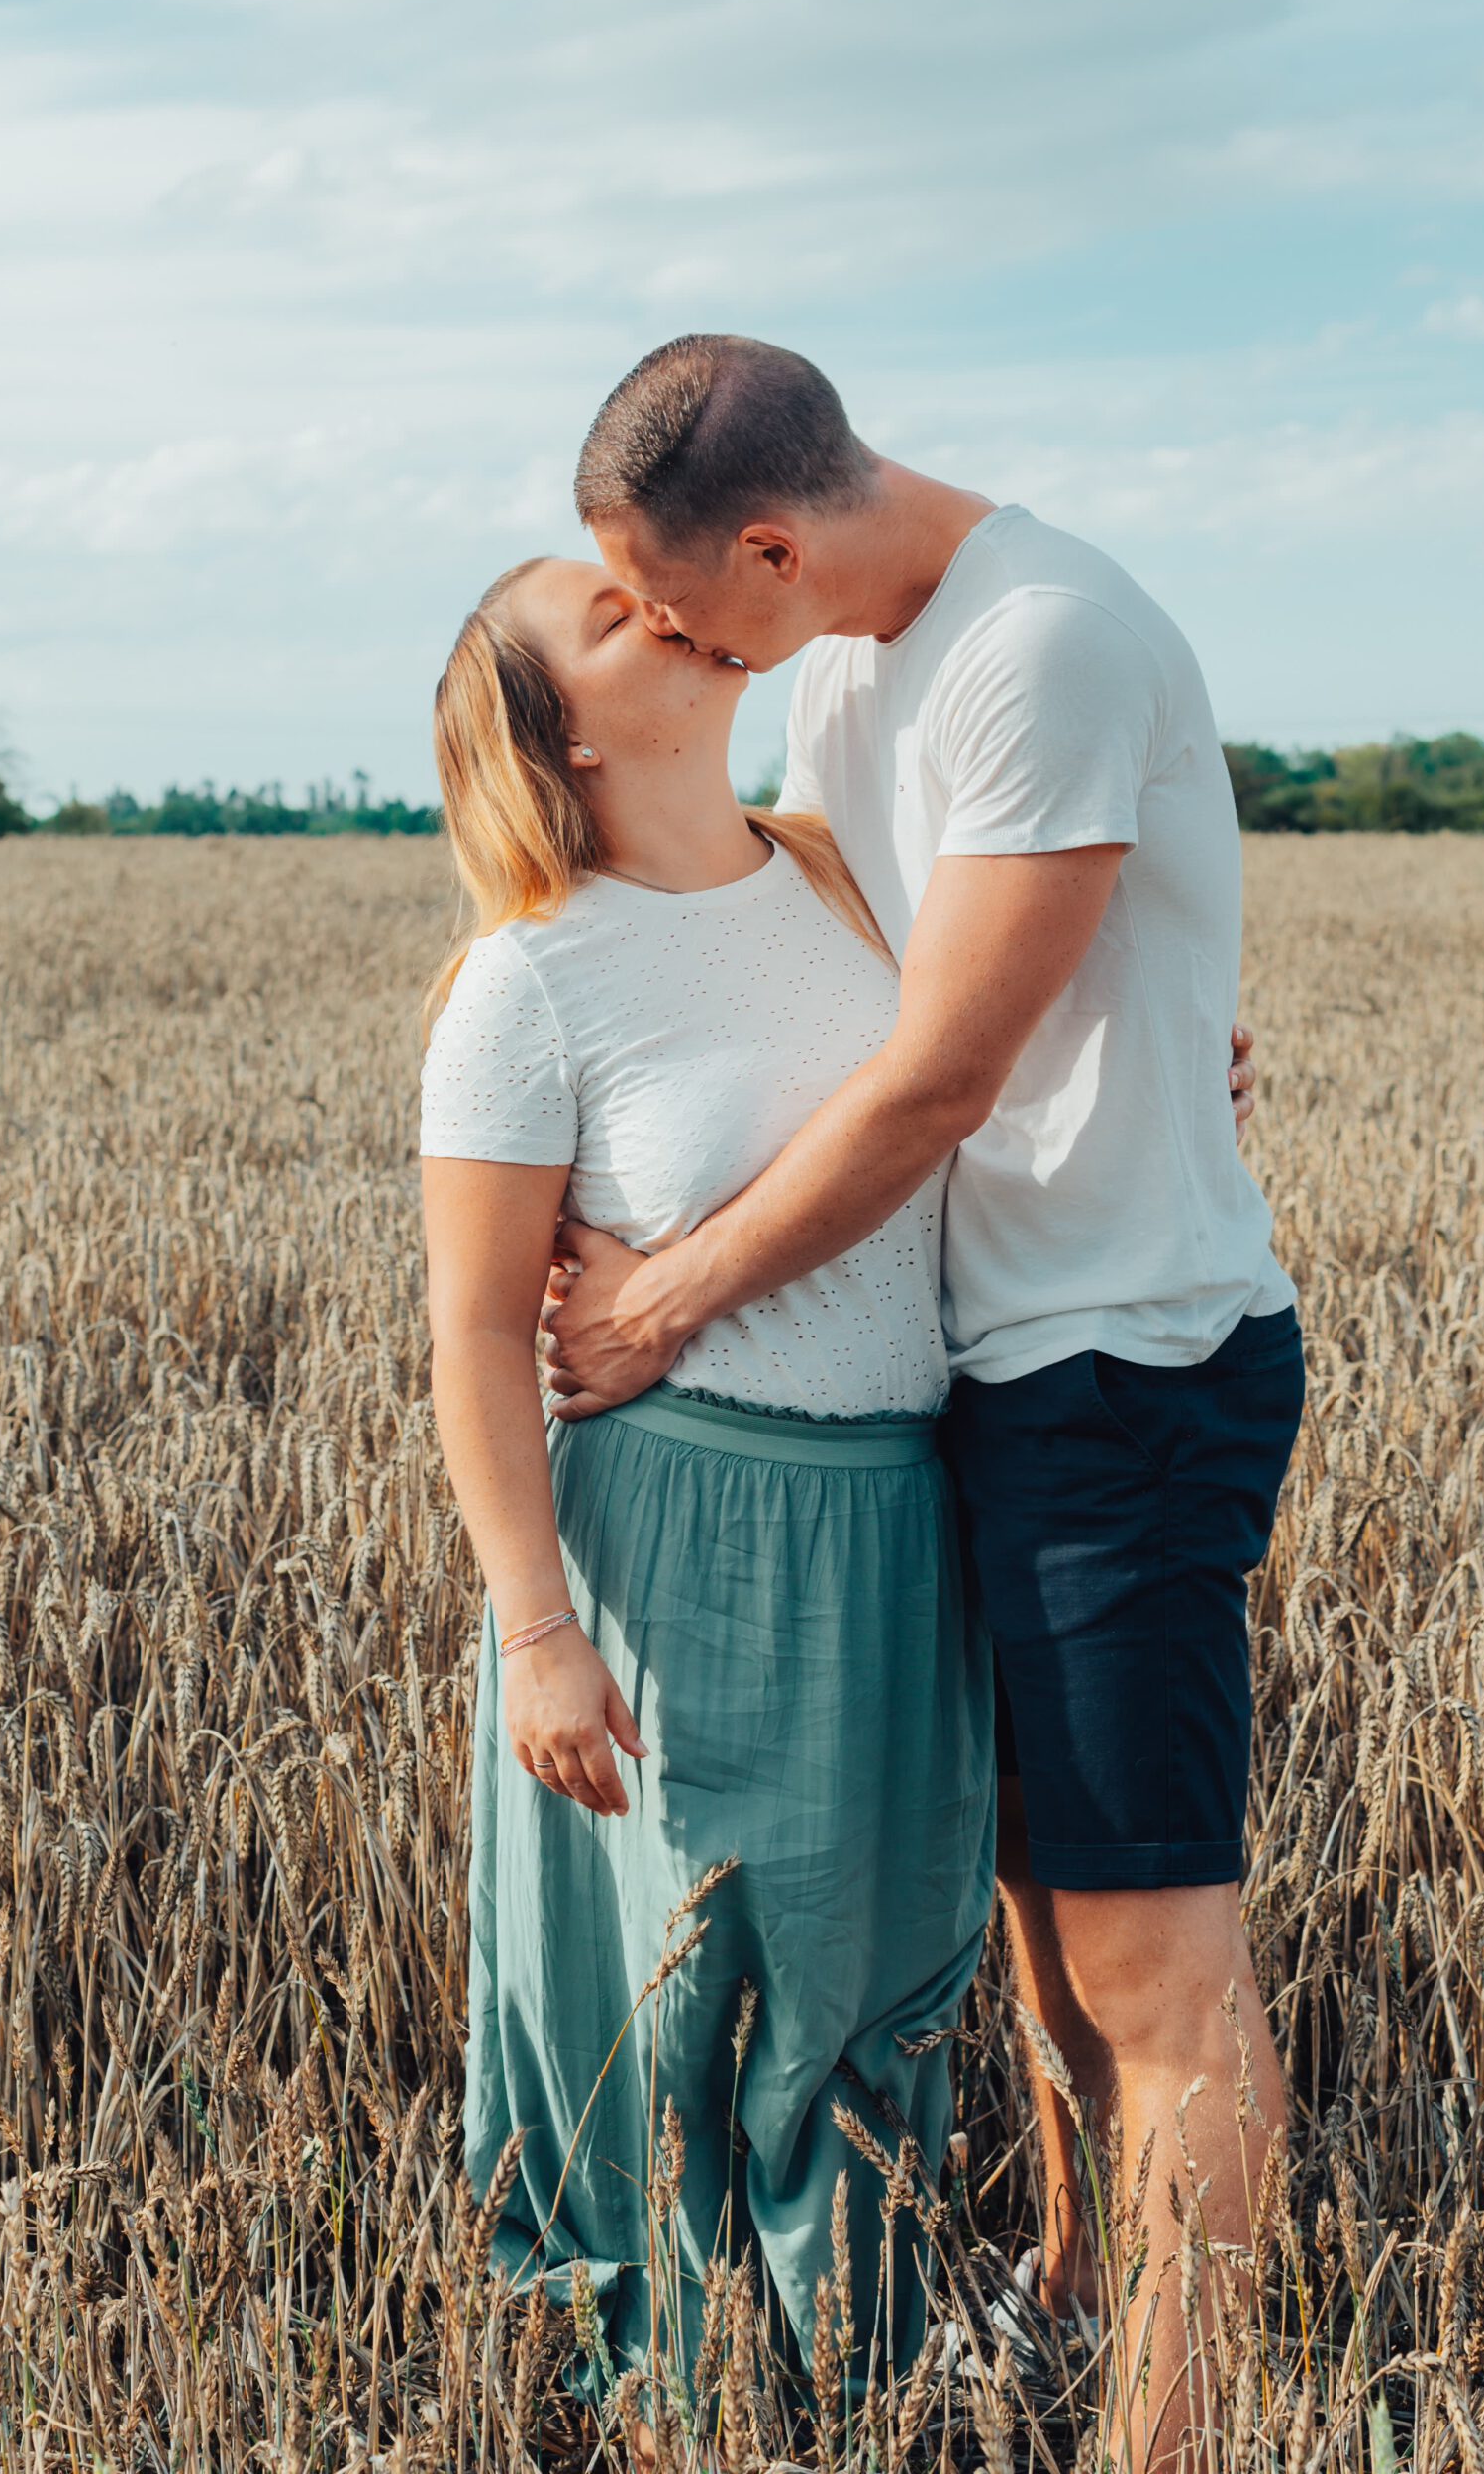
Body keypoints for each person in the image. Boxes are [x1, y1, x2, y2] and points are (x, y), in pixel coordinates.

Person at [540, 335, 1306, 2471]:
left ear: (775, 543)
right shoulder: (856, 664)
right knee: (1036, 1936)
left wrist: (668, 1293)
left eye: (696, 609)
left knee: (1150, 1970)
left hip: (1121, 1365)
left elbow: (940, 1071)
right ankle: (1073, 2296)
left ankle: (1173, 2436)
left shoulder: (1043, 638)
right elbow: (855, 951)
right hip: (991, 1359)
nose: (691, 648)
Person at [418, 554, 999, 2430]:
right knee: (667, 1995)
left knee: (873, 1965)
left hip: (904, 1510)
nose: (651, 600)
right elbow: (477, 1336)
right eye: (599, 612)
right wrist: (535, 1632)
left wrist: (1157, 1086)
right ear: (563, 734)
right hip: (678, 1528)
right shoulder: (530, 980)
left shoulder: (842, 872)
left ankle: (857, 2381)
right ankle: (660, 2391)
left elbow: (959, 1100)